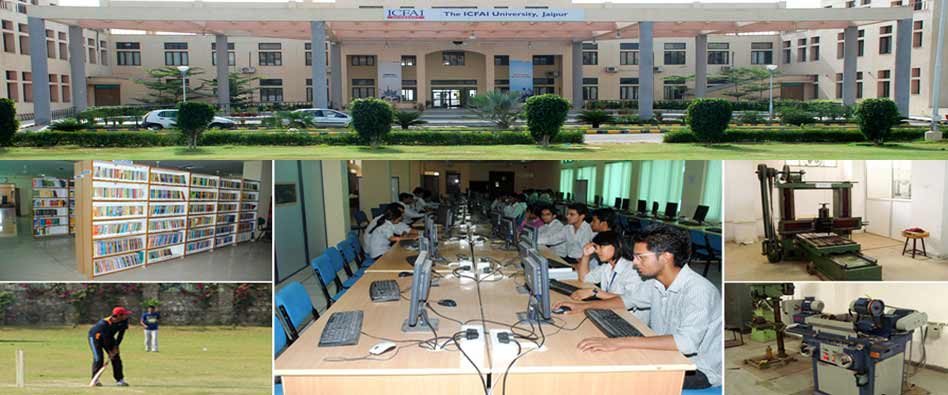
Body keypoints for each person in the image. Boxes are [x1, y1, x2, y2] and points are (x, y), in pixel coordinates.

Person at [552, 225, 722, 390]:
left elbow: (686, 343)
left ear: (665, 257)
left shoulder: (698, 291)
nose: (634, 262)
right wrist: (583, 306)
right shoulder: (656, 282)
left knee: (618, 379)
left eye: (641, 257)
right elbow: (627, 301)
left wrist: (619, 342)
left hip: (698, 368)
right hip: (668, 355)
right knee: (603, 360)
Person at [570, 231, 649, 320]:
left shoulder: (632, 270)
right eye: (596, 247)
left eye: (602, 246)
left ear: (617, 245)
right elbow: (585, 279)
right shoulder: (607, 267)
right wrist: (585, 256)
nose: (597, 251)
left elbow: (629, 300)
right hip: (613, 314)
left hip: (631, 319)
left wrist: (596, 292)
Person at [88, 307, 132, 387]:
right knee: (98, 358)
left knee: (116, 358)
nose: (127, 316)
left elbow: (120, 335)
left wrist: (116, 347)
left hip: (109, 337)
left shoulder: (124, 321)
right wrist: (110, 351)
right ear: (118, 315)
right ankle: (95, 379)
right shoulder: (104, 324)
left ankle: (119, 380)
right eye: (125, 314)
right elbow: (106, 339)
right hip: (96, 338)